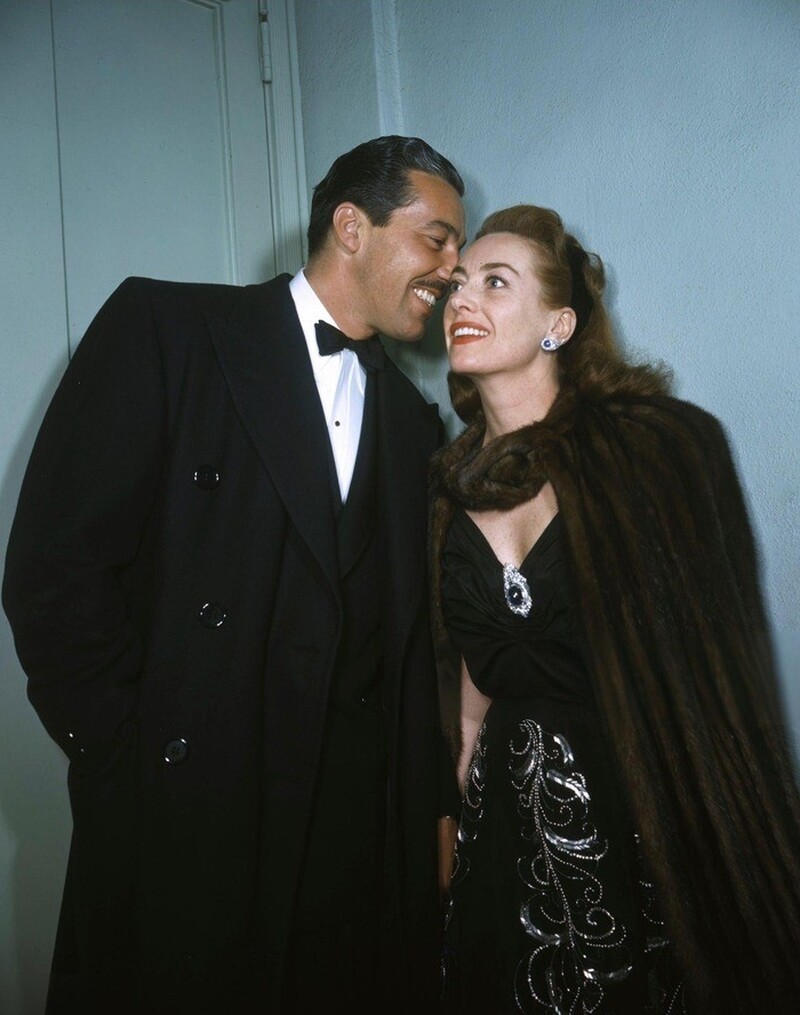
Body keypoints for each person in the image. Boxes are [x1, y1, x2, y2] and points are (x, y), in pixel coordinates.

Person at [2, 135, 466, 1014]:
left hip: (348, 856)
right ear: (352, 226)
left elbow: (409, 656)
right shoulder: (167, 328)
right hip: (188, 822)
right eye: (437, 239)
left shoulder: (415, 424)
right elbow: (53, 567)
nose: (453, 267)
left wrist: (423, 807)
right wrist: (128, 757)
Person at [429, 205, 800, 1014]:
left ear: (558, 324)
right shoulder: (446, 487)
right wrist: (453, 793)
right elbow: (469, 671)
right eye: (456, 284)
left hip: (641, 806)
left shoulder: (652, 451)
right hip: (502, 823)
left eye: (495, 282)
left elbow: (711, 668)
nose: (462, 300)